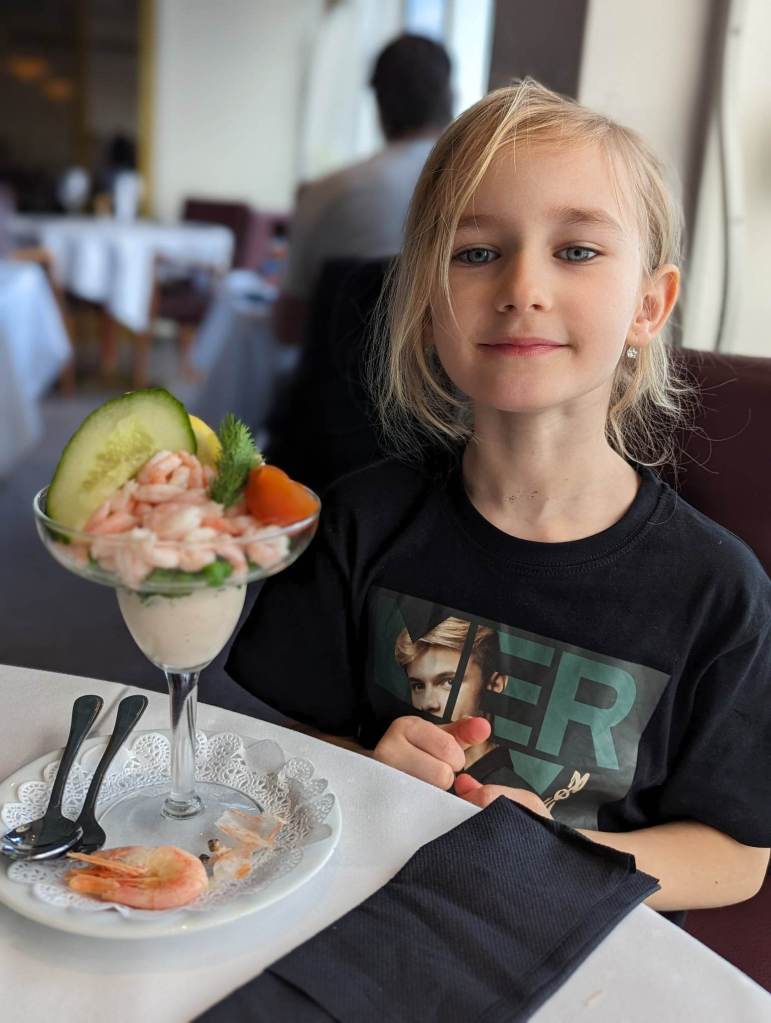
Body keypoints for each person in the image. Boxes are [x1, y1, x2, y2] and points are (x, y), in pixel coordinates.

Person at [228, 80, 771, 916]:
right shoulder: (361, 522)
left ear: (648, 305)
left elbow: (736, 857)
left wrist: (564, 857)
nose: (522, 286)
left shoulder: (717, 589)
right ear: (425, 305)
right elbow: (284, 745)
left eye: (576, 251)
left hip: (568, 946)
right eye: (476, 253)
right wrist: (368, 769)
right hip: (365, 914)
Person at [272, 33, 452, 347]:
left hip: (337, 376)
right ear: (449, 96)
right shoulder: (480, 186)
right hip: (450, 376)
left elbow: (287, 329)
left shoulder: (324, 193)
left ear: (379, 104)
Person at [395, 617, 505, 769]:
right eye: (418, 686)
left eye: (449, 682)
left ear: (494, 685)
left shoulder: (505, 781)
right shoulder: (409, 763)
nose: (427, 703)